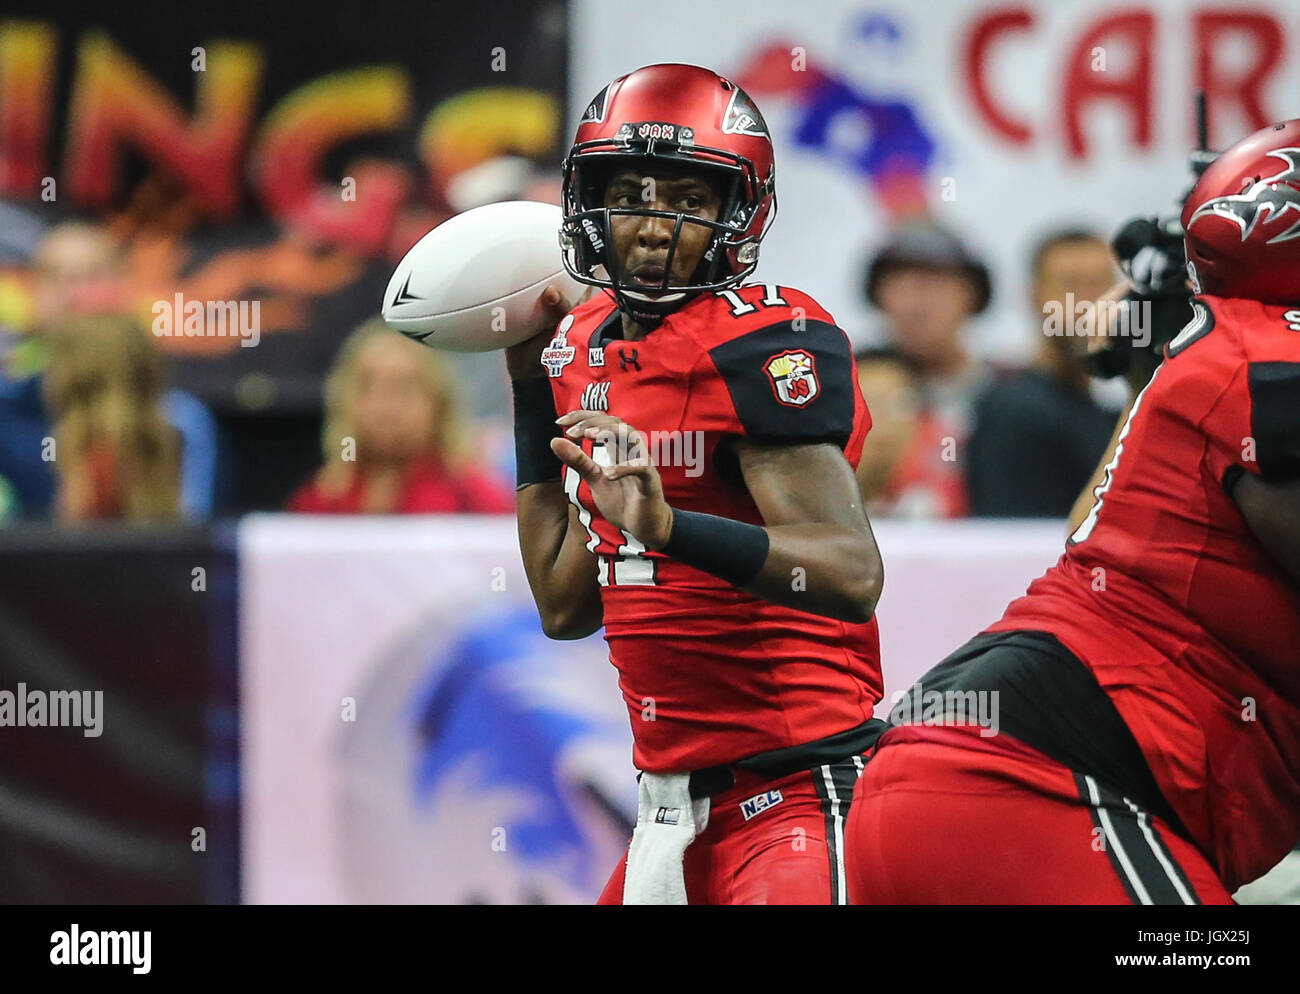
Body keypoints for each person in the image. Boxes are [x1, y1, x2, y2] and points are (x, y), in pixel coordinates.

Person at [844, 120, 1300, 903]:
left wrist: (1144, 368)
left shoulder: (1213, 360)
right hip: (1033, 783)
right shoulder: (1267, 363)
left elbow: (1093, 529)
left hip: (954, 773)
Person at [505, 63, 886, 905]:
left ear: (735, 214)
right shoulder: (583, 343)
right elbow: (566, 608)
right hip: (668, 813)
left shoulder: (765, 344)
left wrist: (670, 526)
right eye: (630, 191)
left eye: (686, 198)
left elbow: (852, 575)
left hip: (795, 787)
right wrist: (532, 392)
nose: (651, 224)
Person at [965, 229, 1121, 517]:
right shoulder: (1013, 410)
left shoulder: (1106, 412)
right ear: (1034, 297)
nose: (1088, 302)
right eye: (1069, 285)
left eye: (1101, 284)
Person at [288, 319, 512, 514]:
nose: (388, 407)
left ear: (437, 401)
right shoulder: (323, 500)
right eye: (369, 387)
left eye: (404, 388)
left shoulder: (473, 497)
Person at [859, 222, 993, 517]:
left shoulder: (1007, 397)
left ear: (973, 296)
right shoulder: (845, 390)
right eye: (902, 286)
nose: (917, 304)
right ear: (877, 297)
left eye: (936, 286)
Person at [42, 312, 181, 522]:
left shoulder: (98, 463)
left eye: (55, 362)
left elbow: (79, 548)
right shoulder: (159, 441)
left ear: (79, 375)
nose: (48, 375)